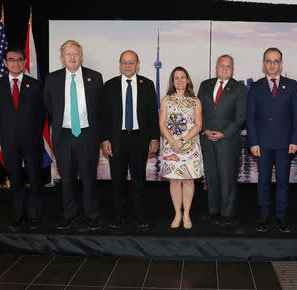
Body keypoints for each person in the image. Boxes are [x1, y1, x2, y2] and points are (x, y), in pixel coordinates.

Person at [43, 40, 103, 231]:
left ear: (81, 57)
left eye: (75, 53)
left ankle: (91, 215)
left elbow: (101, 108)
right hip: (64, 136)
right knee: (67, 178)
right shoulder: (52, 79)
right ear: (62, 58)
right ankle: (68, 215)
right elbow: (48, 106)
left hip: (87, 135)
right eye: (68, 54)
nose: (72, 57)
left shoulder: (95, 77)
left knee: (88, 177)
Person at [101, 50, 159, 229]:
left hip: (139, 139)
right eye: (124, 62)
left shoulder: (147, 85)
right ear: (119, 64)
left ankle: (139, 215)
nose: (128, 65)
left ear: (137, 64)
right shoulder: (109, 85)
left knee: (139, 180)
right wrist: (105, 139)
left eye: (131, 62)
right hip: (116, 140)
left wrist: (155, 138)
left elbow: (152, 115)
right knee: (117, 180)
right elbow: (104, 116)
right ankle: (118, 216)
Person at [246, 48, 297, 232]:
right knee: (263, 181)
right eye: (269, 61)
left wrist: (295, 140)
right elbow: (250, 117)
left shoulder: (292, 85)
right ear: (263, 63)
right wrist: (253, 142)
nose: (272, 64)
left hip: (285, 144)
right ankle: (263, 216)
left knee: (283, 181)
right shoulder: (255, 87)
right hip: (261, 144)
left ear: (281, 63)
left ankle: (281, 217)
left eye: (276, 61)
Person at [0, 47, 44, 231]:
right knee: (15, 179)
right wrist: (10, 130)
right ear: (5, 63)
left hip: (31, 140)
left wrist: (30, 132)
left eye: (19, 59)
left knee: (34, 179)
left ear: (24, 62)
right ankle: (18, 215)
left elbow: (41, 114)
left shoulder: (35, 85)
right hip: (10, 141)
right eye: (11, 60)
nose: (15, 63)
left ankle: (34, 215)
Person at [197, 55, 247, 225]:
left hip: (227, 140)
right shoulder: (205, 85)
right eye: (222, 66)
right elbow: (199, 111)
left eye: (228, 66)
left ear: (233, 70)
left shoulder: (239, 88)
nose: (225, 69)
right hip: (207, 138)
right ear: (216, 68)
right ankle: (214, 210)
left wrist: (223, 133)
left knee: (227, 177)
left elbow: (240, 118)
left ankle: (227, 212)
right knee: (211, 176)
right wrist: (204, 130)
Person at [159, 67, 203, 229]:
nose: (180, 81)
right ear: (172, 81)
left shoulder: (195, 101)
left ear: (188, 80)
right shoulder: (166, 100)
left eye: (183, 77)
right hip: (171, 147)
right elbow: (161, 124)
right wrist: (172, 141)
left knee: (189, 180)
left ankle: (187, 214)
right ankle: (177, 213)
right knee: (175, 181)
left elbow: (198, 125)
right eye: (176, 78)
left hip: (190, 146)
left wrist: (182, 141)